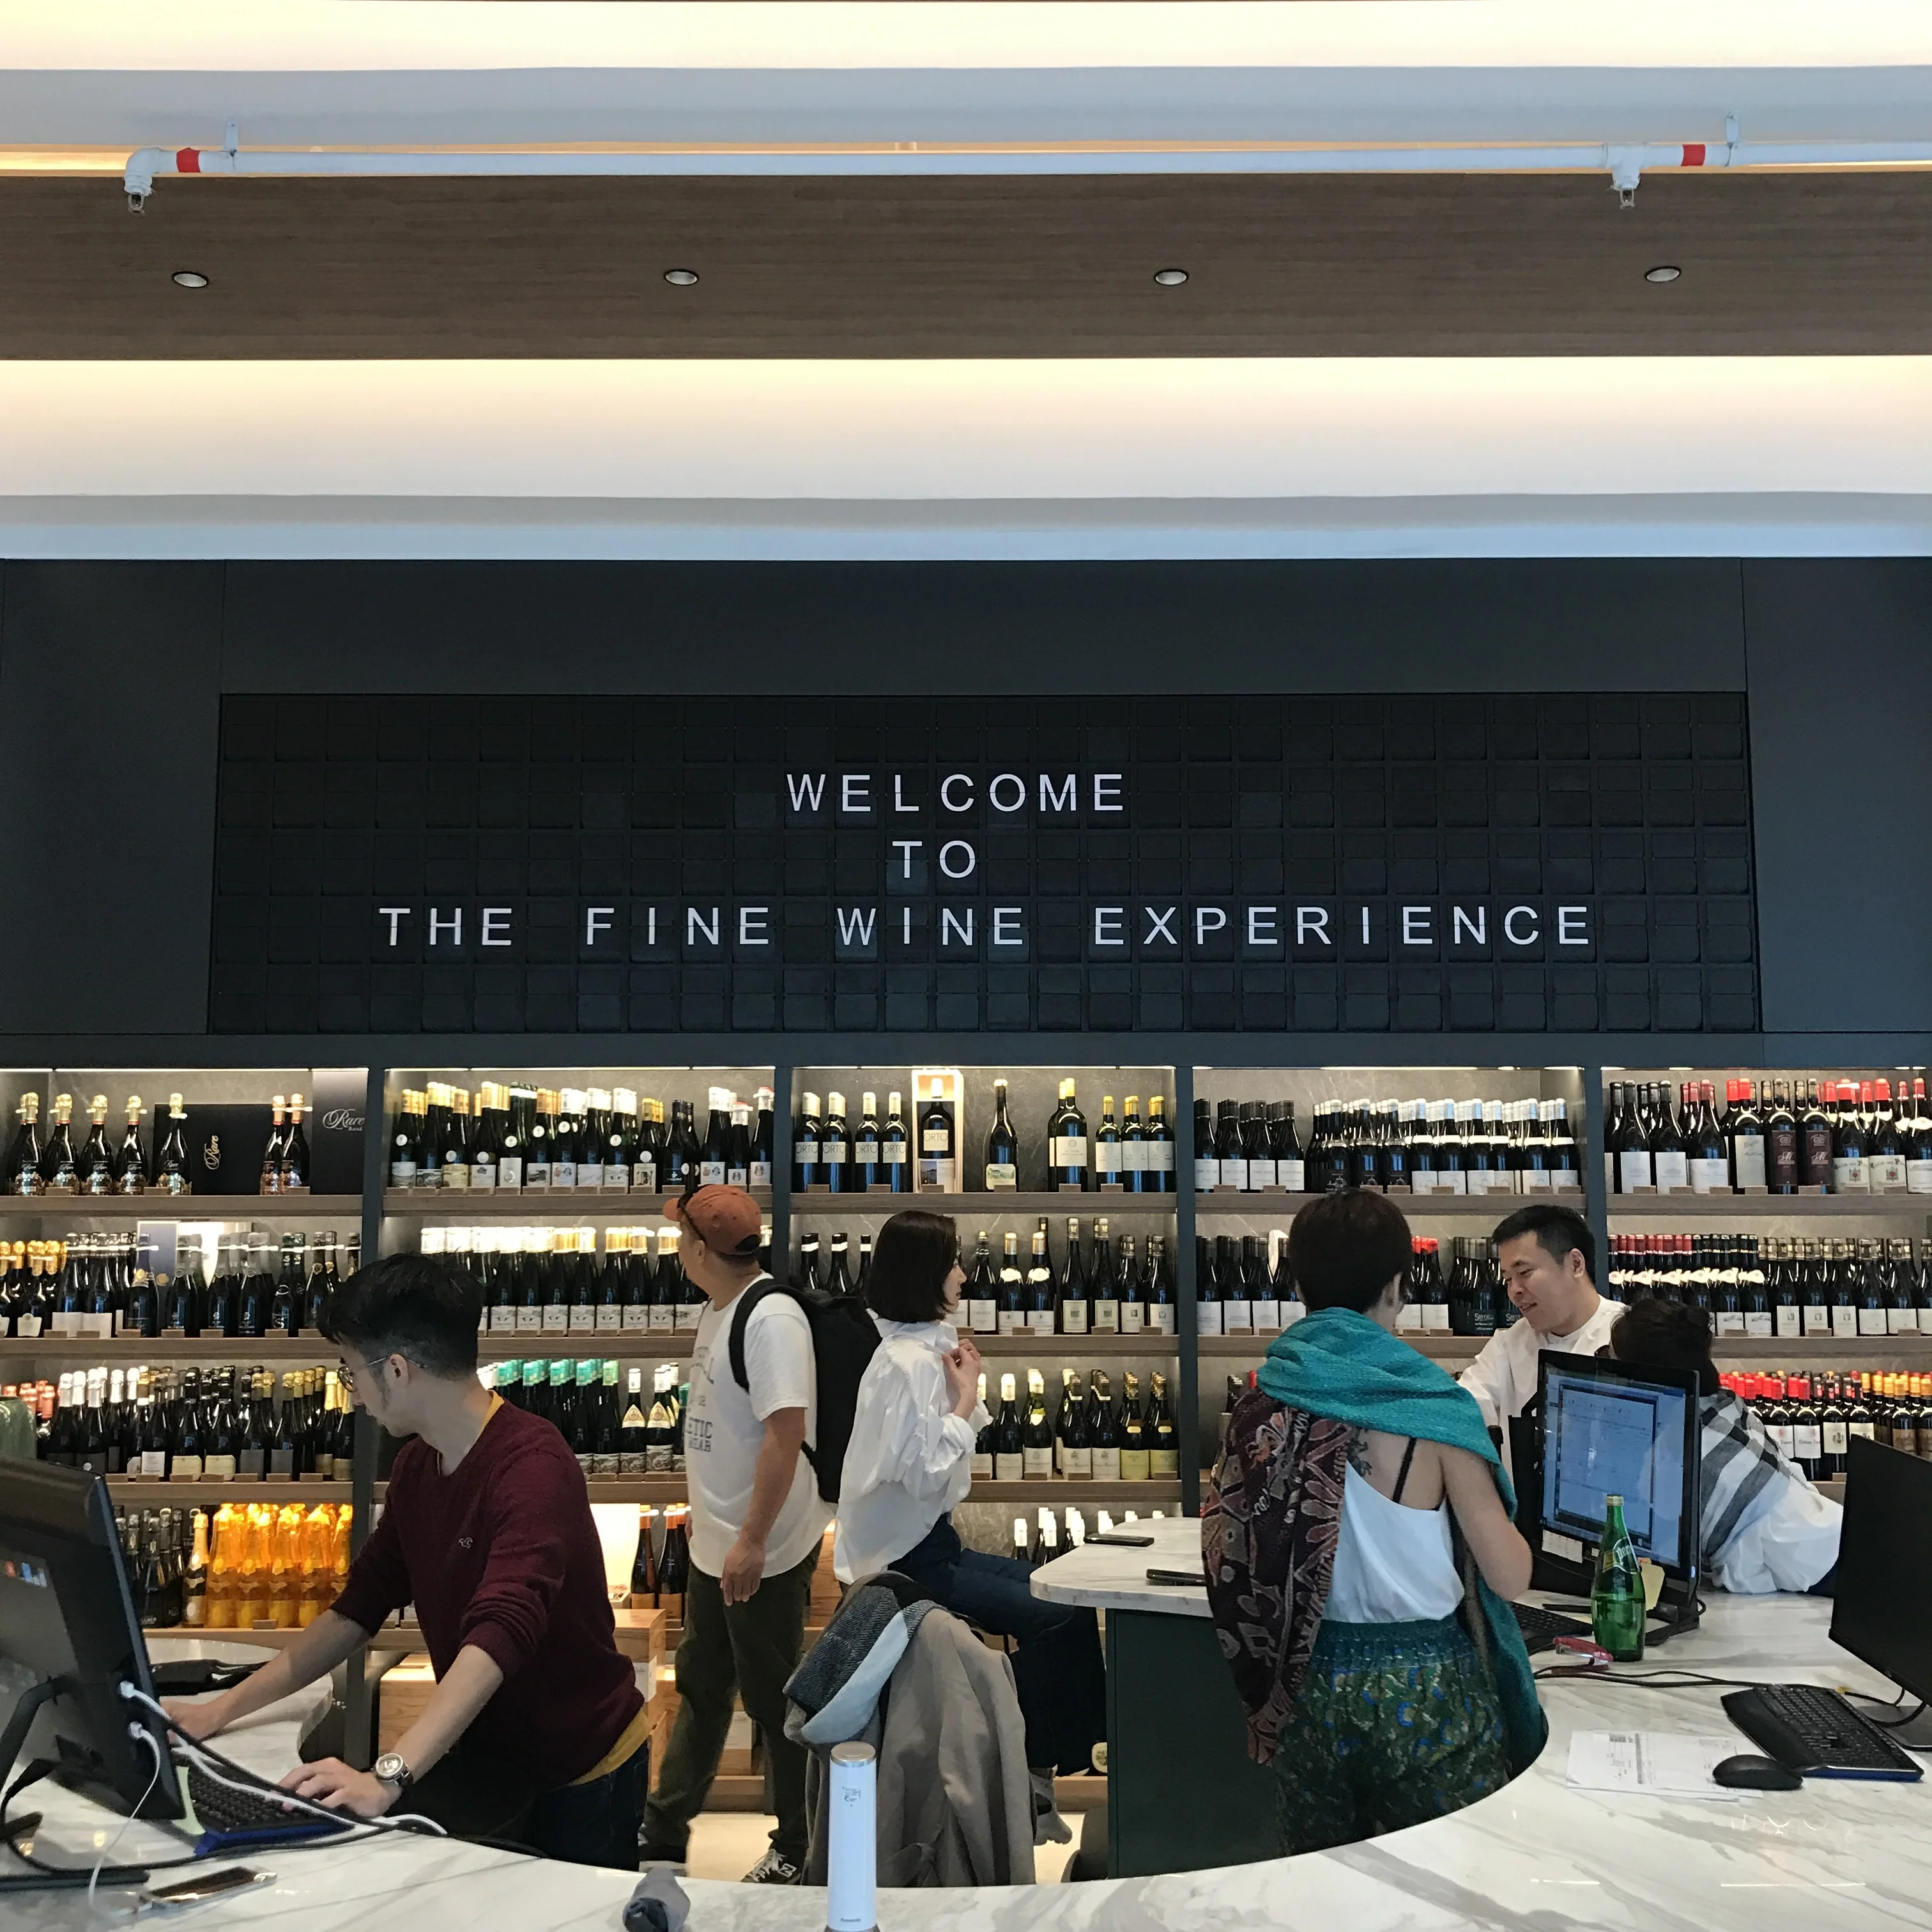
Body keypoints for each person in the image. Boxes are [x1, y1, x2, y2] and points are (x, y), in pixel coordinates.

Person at [163, 1254, 648, 1867]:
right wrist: (218, 1711)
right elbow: (356, 1610)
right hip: (487, 1755)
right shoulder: (420, 1465)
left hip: (582, 1769)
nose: (354, 1396)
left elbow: (502, 1630)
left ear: (396, 1369)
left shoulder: (531, 1466)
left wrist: (390, 1775)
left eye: (350, 1373)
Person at [1204, 1188, 1544, 1859]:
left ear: (1298, 1283)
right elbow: (1508, 1577)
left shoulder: (1263, 1400)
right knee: (1454, 1886)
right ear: (1399, 1284)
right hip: (1428, 1689)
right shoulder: (1436, 1409)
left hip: (1308, 1684)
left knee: (1323, 1892)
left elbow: (1230, 1552)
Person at [834, 1209, 1106, 1811]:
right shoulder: (906, 1365)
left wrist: (965, 1392)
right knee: (1057, 1618)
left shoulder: (919, 1349)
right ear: (927, 1273)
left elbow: (939, 1451)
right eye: (953, 1264)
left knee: (1074, 1601)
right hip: (904, 1564)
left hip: (935, 1544)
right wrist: (963, 1400)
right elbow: (927, 1470)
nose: (963, 1275)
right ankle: (1032, 1769)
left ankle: (1085, 1755)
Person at [641, 1184, 830, 1885]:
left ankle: (798, 1846)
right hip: (716, 1544)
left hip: (765, 1548)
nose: (676, 1248)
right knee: (701, 1684)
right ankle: (662, 1831)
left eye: (679, 1236)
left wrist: (751, 1541)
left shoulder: (770, 1319)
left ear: (698, 1246)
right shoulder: (716, 1310)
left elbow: (786, 1435)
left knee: (774, 1698)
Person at [1609, 1298, 1841, 1595]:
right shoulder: (1724, 1408)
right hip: (1828, 1533)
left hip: (1818, 1570)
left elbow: (1660, 1555)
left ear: (1638, 1377)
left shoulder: (1672, 1453)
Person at [1461, 1202, 1621, 1452]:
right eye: (1507, 1279)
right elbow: (1464, 1404)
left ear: (1576, 1264)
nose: (1514, 1291)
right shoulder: (1509, 1344)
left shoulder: (1628, 1336)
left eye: (1524, 1272)